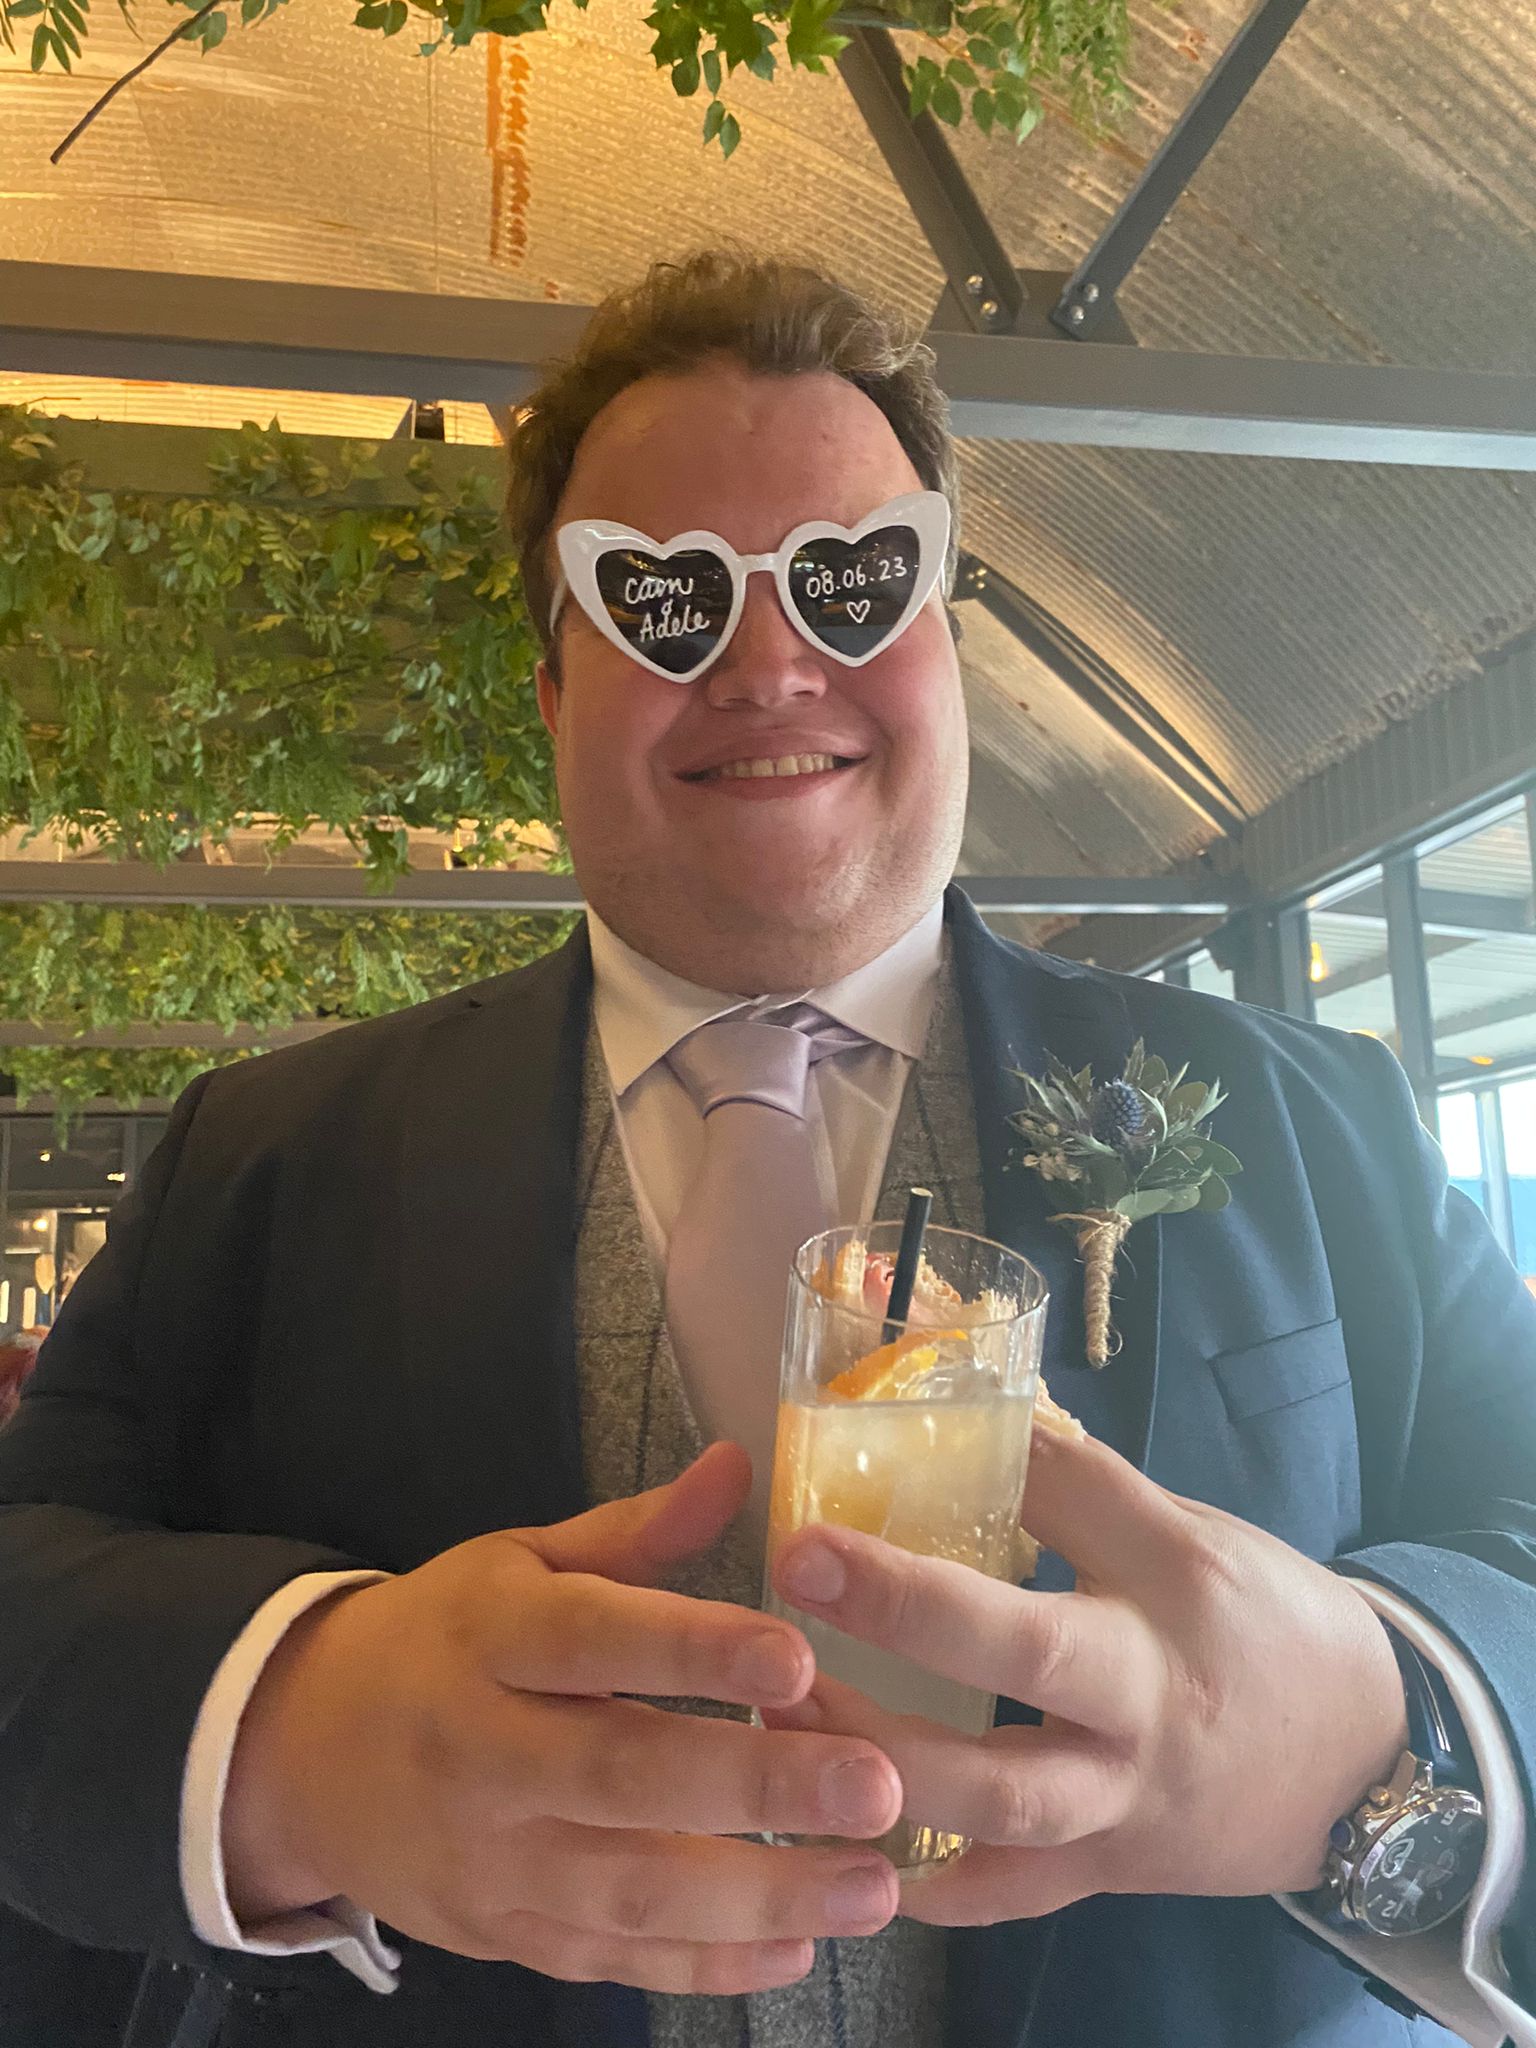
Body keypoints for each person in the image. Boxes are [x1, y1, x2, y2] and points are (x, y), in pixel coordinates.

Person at [1, 251, 1533, 2048]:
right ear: (555, 691)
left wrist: (1388, 1730)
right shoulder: (261, 1158)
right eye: (661, 598)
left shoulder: (1324, 1121)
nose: (770, 660)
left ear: (945, 640)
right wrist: (277, 1734)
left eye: (850, 582)